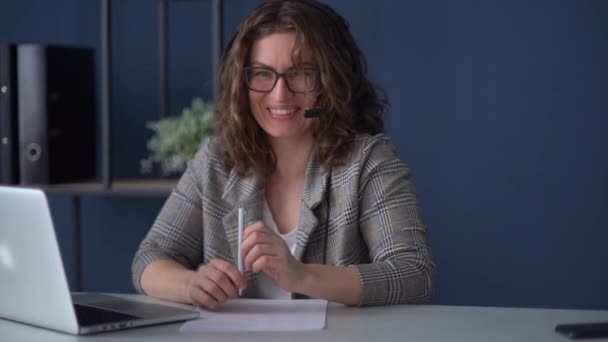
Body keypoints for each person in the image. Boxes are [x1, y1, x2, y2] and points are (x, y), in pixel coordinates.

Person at [132, 0, 434, 308]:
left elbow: (413, 275)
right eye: (262, 74)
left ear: (331, 82)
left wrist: (302, 276)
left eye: (301, 74)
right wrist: (190, 284)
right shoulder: (216, 159)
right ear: (242, 82)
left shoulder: (369, 160)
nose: (279, 95)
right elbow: (150, 258)